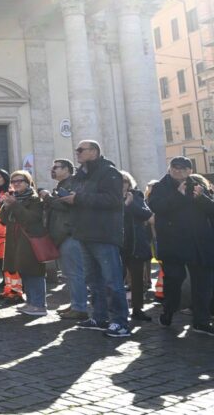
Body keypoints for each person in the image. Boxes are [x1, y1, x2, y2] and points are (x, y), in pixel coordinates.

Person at [62, 140, 131, 338]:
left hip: (103, 233)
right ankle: (99, 317)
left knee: (113, 281)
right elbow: (78, 197)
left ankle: (120, 322)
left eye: (81, 150)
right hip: (84, 232)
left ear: (94, 151)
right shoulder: (81, 174)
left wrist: (78, 198)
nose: (77, 153)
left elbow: (112, 200)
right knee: (93, 280)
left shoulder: (109, 173)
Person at [147, 158, 214, 335]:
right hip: (173, 244)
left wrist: (202, 198)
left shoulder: (198, 185)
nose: (178, 171)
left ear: (189, 170)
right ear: (169, 169)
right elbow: (156, 207)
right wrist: (178, 195)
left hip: (199, 244)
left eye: (182, 169)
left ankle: (201, 320)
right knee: (174, 280)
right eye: (174, 168)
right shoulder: (160, 187)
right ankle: (168, 312)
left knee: (203, 284)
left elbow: (211, 210)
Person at [40, 158, 88, 320]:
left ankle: (80, 307)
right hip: (62, 235)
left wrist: (47, 197)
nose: (52, 170)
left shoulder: (73, 184)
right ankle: (76, 303)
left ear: (67, 169)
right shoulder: (62, 185)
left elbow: (65, 205)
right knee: (70, 273)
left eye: (56, 167)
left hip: (70, 234)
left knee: (75, 273)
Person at [0, 170, 48, 316]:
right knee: (24, 271)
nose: (16, 184)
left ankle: (39, 305)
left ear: (28, 182)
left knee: (34, 272)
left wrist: (14, 205)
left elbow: (31, 218)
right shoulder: (15, 198)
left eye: (20, 181)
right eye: (13, 182)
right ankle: (31, 302)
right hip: (15, 241)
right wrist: (6, 206)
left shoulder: (35, 199)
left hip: (30, 241)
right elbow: (4, 219)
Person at [120, 170, 153, 323]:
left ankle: (138, 309)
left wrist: (131, 204)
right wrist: (124, 205)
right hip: (116, 244)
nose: (122, 184)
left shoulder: (137, 195)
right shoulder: (109, 197)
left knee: (137, 280)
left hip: (135, 244)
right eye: (120, 181)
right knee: (115, 279)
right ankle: (118, 309)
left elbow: (146, 214)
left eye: (125, 181)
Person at [0, 168, 22, 303]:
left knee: (10, 263)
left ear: (5, 178)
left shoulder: (9, 193)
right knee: (2, 263)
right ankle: (8, 289)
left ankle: (16, 291)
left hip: (5, 231)